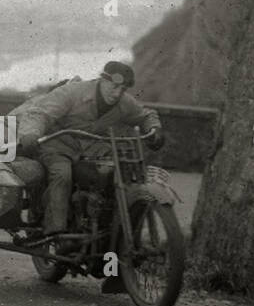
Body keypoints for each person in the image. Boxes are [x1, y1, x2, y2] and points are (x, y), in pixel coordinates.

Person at [14, 61, 164, 239]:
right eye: (114, 86)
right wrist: (30, 134)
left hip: (92, 148)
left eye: (123, 89)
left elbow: (146, 115)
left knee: (116, 174)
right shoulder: (73, 92)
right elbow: (40, 113)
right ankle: (56, 231)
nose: (117, 93)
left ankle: (108, 228)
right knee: (62, 174)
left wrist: (154, 130)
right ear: (103, 79)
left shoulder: (124, 103)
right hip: (58, 145)